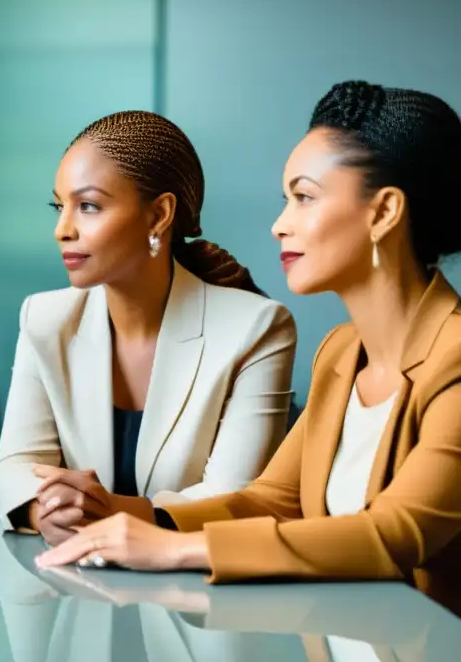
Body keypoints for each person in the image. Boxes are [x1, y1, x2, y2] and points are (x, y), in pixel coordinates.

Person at [35, 81, 461, 617]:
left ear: (384, 212)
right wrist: (133, 518)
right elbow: (274, 500)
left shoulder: (454, 358)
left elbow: (396, 534)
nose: (280, 224)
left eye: (303, 197)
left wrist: (177, 549)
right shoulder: (341, 352)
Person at [0, 110, 297, 544]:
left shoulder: (257, 329)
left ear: (159, 215)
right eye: (60, 206)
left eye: (89, 206)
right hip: (78, 589)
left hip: (197, 598)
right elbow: (13, 467)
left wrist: (107, 511)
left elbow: (235, 498)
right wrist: (44, 512)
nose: (62, 229)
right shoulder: (44, 319)